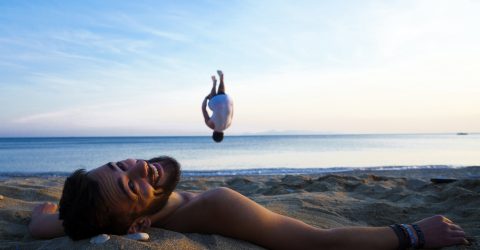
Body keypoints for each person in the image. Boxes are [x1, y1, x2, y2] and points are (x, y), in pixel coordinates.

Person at [28, 156, 469, 250]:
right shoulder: (216, 204)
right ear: (140, 219)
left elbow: (44, 223)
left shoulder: (80, 219)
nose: (140, 165)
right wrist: (411, 233)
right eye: (130, 186)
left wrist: (45, 212)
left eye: (118, 165)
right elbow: (318, 242)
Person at [202, 70, 234, 143]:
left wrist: (231, 103)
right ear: (213, 133)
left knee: (221, 92)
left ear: (223, 134)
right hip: (218, 103)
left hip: (228, 101)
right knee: (212, 99)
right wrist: (205, 98)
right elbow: (204, 109)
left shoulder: (228, 125)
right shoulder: (211, 126)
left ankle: (221, 78)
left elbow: (232, 112)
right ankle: (214, 84)